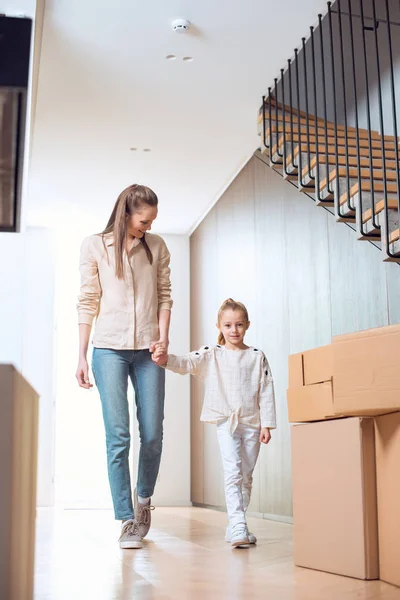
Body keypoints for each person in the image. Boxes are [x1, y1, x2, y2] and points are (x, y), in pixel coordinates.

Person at [75, 184, 173, 550]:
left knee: (152, 433)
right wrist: (82, 355)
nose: (147, 227)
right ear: (126, 214)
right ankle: (127, 519)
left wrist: (163, 339)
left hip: (149, 351)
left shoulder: (157, 246)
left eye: (152, 221)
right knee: (118, 437)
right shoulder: (94, 246)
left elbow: (165, 294)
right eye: (142, 221)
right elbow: (87, 300)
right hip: (108, 351)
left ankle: (143, 500)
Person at [152, 298, 276, 548]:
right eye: (228, 325)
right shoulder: (212, 354)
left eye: (239, 325)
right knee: (233, 472)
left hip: (252, 423)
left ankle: (236, 523)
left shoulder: (256, 356)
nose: (234, 330)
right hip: (225, 422)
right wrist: (165, 359)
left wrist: (266, 424)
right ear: (219, 326)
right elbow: (187, 362)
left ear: (247, 325)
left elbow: (266, 389)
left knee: (246, 476)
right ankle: (239, 524)